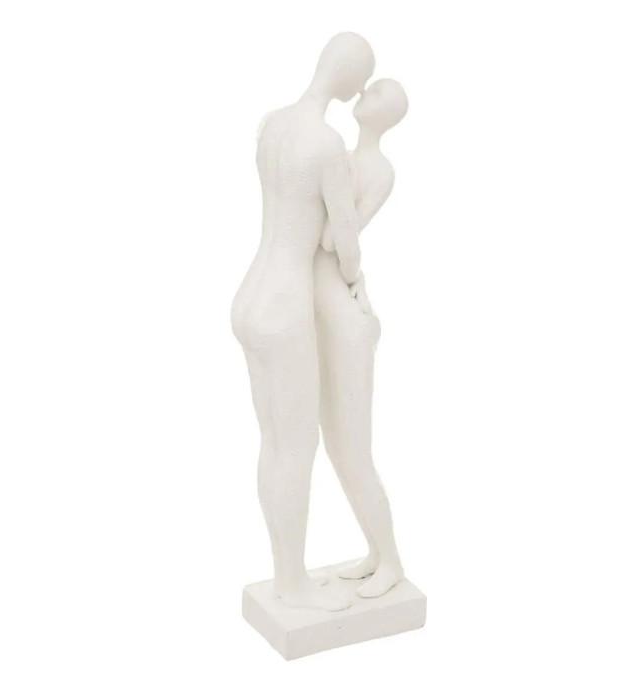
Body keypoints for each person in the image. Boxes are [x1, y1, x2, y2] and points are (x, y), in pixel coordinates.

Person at [231, 33, 374, 611]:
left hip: (251, 294)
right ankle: (291, 583)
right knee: (295, 448)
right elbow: (342, 239)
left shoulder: (274, 124)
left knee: (274, 445)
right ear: (351, 82)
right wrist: (355, 279)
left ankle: (286, 575)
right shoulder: (327, 143)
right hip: (287, 307)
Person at [314, 79, 409, 598]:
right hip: (330, 307)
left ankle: (390, 560)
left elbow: (334, 239)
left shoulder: (378, 170)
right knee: (337, 446)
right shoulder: (343, 157)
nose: (365, 91)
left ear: (388, 115)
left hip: (345, 318)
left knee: (353, 449)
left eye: (377, 93)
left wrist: (329, 191)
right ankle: (375, 553)